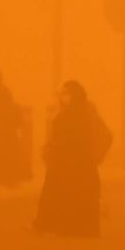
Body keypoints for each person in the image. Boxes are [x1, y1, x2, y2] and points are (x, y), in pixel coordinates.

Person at [33, 81, 113, 238]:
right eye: (62, 94)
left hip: (81, 162)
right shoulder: (64, 113)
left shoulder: (87, 112)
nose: (64, 97)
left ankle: (77, 228)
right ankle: (55, 226)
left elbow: (104, 135)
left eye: (67, 94)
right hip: (62, 162)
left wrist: (95, 156)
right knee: (60, 194)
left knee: (78, 194)